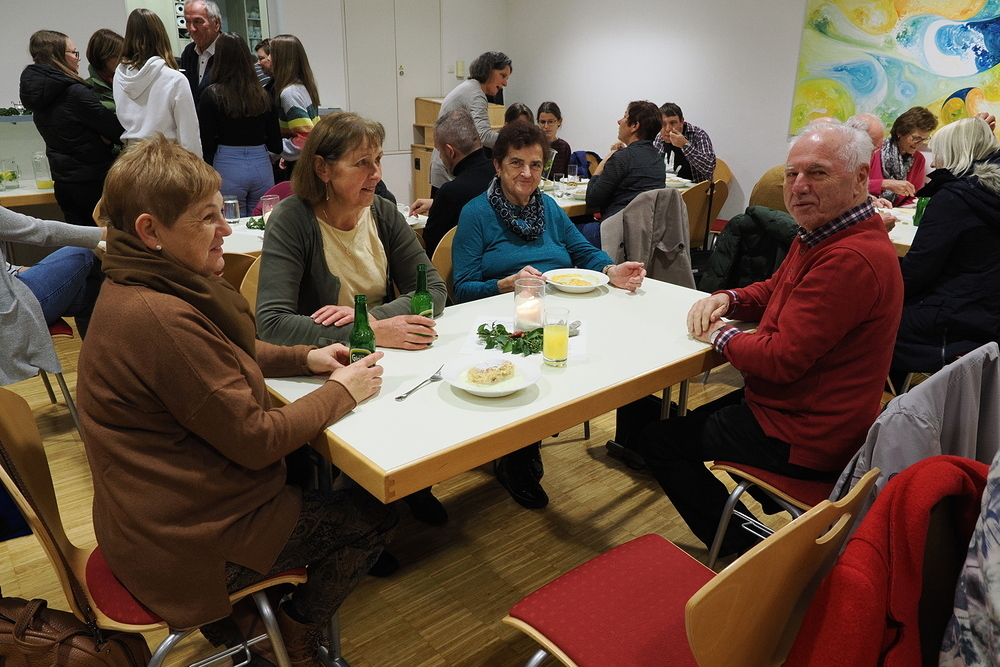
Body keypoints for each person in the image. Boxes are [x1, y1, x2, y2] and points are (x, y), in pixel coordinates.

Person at [76, 136, 397, 667]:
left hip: (144, 519)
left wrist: (305, 358)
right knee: (373, 516)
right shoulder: (159, 318)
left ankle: (248, 622)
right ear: (150, 231)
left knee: (305, 472)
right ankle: (293, 636)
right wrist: (342, 391)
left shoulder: (138, 282)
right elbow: (257, 440)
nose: (226, 229)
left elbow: (226, 351)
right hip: (185, 543)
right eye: (208, 218)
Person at [636, 122, 903, 557]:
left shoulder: (849, 258)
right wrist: (729, 298)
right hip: (800, 410)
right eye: (792, 174)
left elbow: (779, 360)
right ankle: (751, 531)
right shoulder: (826, 232)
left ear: (859, 178)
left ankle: (746, 552)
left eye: (817, 173)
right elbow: (776, 288)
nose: (798, 186)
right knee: (682, 427)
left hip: (804, 434)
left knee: (659, 442)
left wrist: (719, 333)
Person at [255, 112, 448, 529]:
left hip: (385, 353)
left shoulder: (382, 212)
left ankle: (407, 486)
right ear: (322, 168)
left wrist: (373, 319)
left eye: (378, 161)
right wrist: (369, 331)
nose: (376, 174)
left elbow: (433, 289)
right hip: (327, 366)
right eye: (362, 163)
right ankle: (361, 514)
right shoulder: (293, 219)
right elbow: (271, 324)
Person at [452, 121, 645, 509]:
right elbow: (461, 289)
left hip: (557, 314)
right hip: (505, 323)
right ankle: (516, 456)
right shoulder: (476, 214)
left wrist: (611, 270)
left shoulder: (549, 208)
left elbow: (582, 251)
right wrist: (506, 284)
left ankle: (640, 442)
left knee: (624, 348)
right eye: (516, 163)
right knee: (542, 365)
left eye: (536, 165)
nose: (527, 173)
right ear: (498, 166)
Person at [892, 116, 1000, 376]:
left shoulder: (954, 199)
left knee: (869, 317)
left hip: (953, 320)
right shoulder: (987, 193)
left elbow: (917, 271)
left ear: (953, 153)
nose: (934, 162)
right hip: (987, 310)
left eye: (938, 153)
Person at [18, 30, 123, 227]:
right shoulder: (74, 93)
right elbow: (117, 131)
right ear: (57, 55)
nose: (78, 58)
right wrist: (103, 139)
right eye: (74, 53)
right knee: (106, 240)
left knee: (80, 240)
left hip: (63, 182)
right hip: (92, 182)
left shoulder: (38, 95)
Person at [0, 206, 103, 385]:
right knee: (85, 251)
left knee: (91, 291)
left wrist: (15, 270)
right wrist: (105, 234)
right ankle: (101, 377)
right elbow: (40, 231)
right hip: (9, 312)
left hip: (11, 291)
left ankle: (99, 378)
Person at [198, 32, 281, 217]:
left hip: (227, 164)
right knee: (263, 222)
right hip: (261, 163)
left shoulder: (211, 95)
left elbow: (206, 142)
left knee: (232, 225)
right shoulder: (263, 95)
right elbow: (276, 144)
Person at [114, 8, 201, 157]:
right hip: (166, 160)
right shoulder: (175, 79)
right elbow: (189, 136)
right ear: (161, 36)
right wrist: (196, 167)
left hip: (130, 159)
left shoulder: (119, 76)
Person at [583, 100, 665, 245]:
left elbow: (592, 199)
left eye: (625, 116)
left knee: (567, 235)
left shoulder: (622, 158)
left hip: (618, 235)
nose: (619, 121)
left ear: (634, 126)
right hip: (646, 236)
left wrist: (607, 159)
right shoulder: (657, 159)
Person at [429, 51, 511, 192]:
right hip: (449, 169)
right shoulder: (476, 94)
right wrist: (514, 141)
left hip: (444, 165)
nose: (505, 83)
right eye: (502, 76)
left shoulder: (469, 87)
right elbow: (483, 136)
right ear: (488, 70)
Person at [420, 109, 495, 258]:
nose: (440, 157)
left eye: (439, 151)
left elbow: (433, 251)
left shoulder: (451, 192)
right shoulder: (502, 175)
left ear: (450, 151)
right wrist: (435, 203)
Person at [269, 34, 320, 183]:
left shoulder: (289, 93)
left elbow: (305, 138)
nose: (269, 59)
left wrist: (277, 151)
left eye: (272, 54)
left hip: (301, 167)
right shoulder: (304, 87)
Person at [869, 106, 937, 206]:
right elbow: (853, 187)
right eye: (916, 138)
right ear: (900, 132)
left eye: (924, 139)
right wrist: (885, 184)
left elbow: (912, 196)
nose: (920, 143)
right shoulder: (874, 151)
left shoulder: (919, 159)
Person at [653, 102, 716, 183]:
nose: (668, 129)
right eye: (663, 124)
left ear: (681, 122)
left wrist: (685, 145)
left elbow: (709, 168)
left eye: (672, 123)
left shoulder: (698, 135)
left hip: (696, 187)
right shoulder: (659, 138)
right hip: (667, 187)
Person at [179, 0, 221, 106]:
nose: (191, 29)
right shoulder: (188, 52)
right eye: (187, 22)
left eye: (198, 21)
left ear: (216, 24)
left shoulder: (230, 51)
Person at [83, 28, 123, 111]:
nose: (123, 61)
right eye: (118, 56)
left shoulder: (127, 83)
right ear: (104, 57)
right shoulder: (86, 89)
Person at [537, 101, 571, 179]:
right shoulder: (534, 145)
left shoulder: (564, 147)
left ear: (559, 121)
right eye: (542, 122)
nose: (546, 126)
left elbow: (566, 176)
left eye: (551, 122)